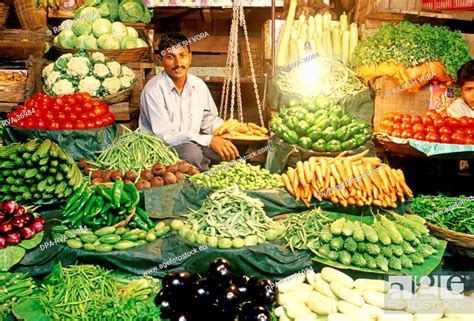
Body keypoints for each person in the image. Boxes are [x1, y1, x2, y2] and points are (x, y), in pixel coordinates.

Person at [139, 33, 239, 170]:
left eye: (183, 56)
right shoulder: (153, 90)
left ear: (190, 57)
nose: (178, 63)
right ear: (159, 60)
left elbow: (209, 120)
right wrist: (208, 140)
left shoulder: (198, 85)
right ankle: (202, 180)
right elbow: (166, 136)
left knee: (229, 148)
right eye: (170, 57)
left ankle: (207, 169)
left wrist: (230, 131)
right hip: (162, 147)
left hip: (194, 141)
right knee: (192, 154)